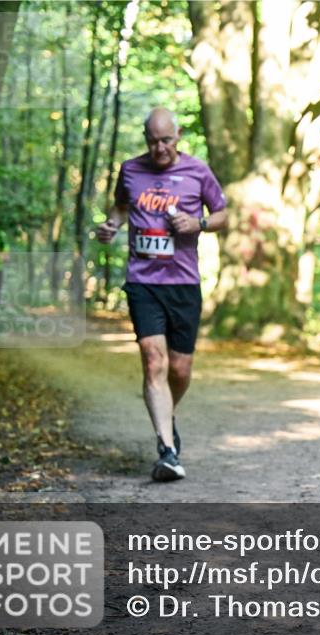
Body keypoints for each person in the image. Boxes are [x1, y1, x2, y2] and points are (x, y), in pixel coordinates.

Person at [96, 107, 228, 482]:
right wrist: (111, 225)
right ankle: (167, 450)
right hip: (143, 282)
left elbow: (223, 214)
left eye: (166, 140)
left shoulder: (197, 171)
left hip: (183, 283)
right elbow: (121, 207)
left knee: (179, 369)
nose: (159, 149)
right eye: (152, 142)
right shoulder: (130, 170)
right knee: (153, 361)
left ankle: (167, 413)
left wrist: (197, 223)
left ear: (178, 135)